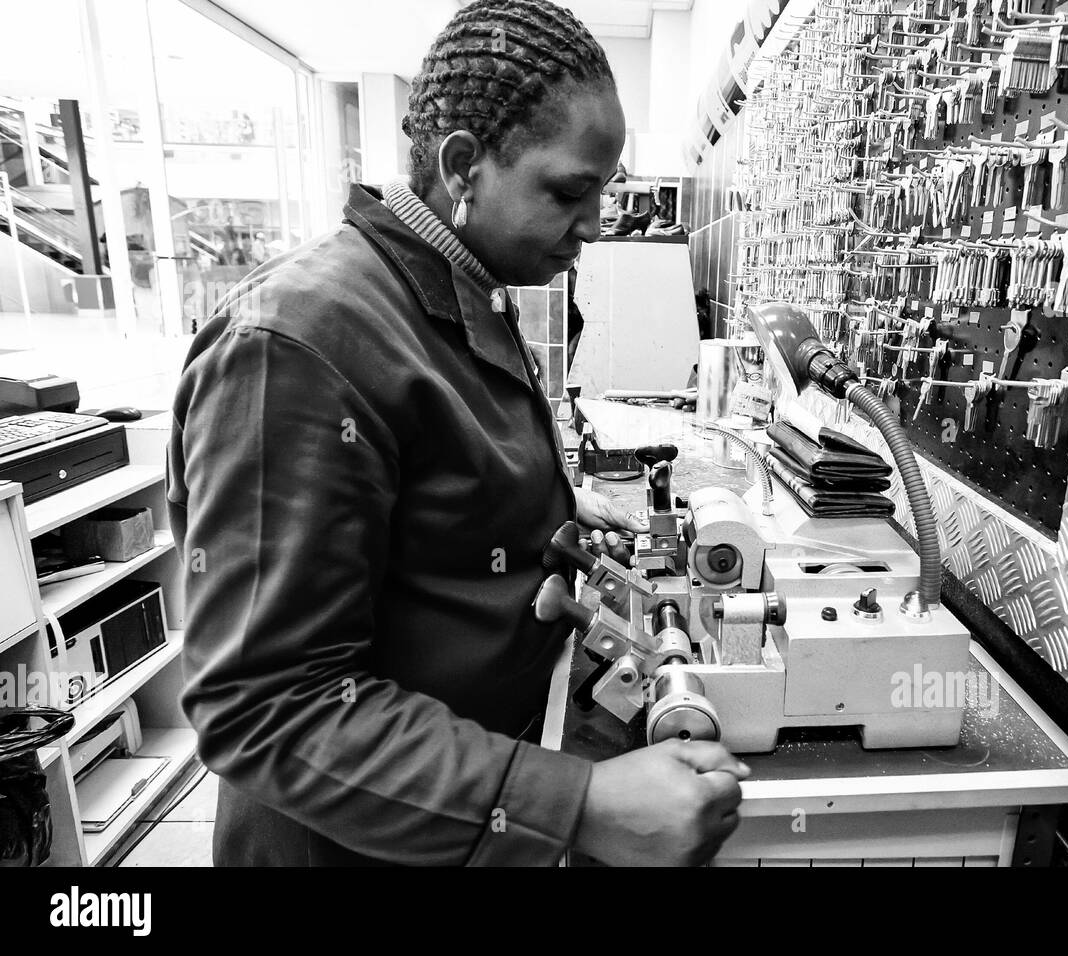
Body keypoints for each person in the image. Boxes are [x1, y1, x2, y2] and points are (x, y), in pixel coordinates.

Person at [168, 0, 746, 868]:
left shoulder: (465, 289)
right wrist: (576, 806)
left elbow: (422, 491)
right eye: (568, 192)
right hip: (354, 845)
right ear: (463, 164)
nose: (594, 227)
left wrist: (541, 513)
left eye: (603, 192)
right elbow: (269, 705)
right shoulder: (296, 344)